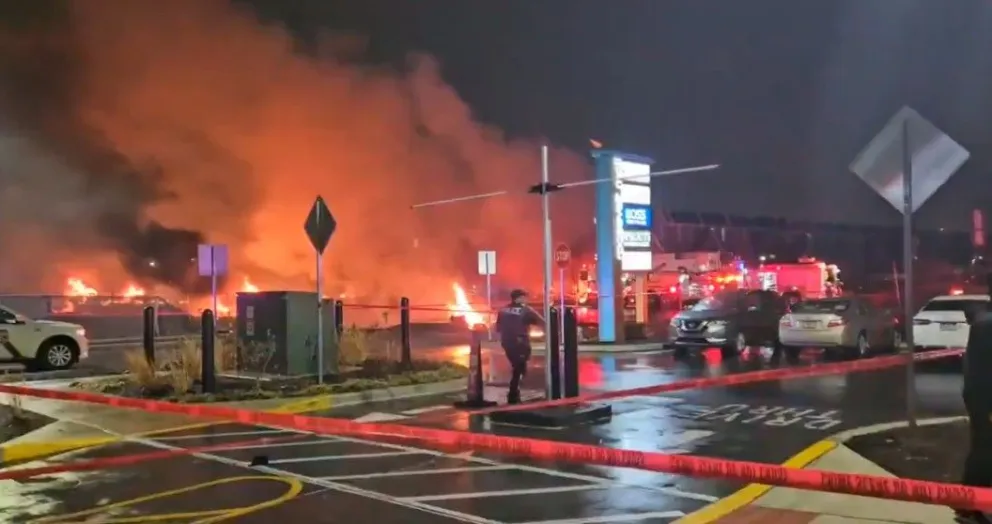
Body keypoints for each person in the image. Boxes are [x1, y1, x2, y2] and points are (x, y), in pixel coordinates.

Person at [957, 278, 992, 524]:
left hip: (980, 398)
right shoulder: (986, 325)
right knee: (984, 451)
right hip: (985, 400)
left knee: (983, 449)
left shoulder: (984, 322)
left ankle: (972, 506)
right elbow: (982, 372)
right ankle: (970, 507)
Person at [494, 289, 544, 404]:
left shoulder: (503, 310)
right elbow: (541, 322)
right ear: (519, 298)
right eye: (524, 297)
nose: (526, 299)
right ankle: (513, 394)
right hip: (521, 342)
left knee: (517, 366)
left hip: (506, 342)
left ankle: (515, 392)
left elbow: (498, 328)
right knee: (520, 367)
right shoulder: (526, 310)